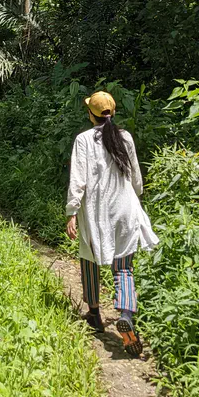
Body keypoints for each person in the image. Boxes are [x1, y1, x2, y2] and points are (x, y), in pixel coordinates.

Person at [65, 90, 158, 356]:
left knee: (89, 258)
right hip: (125, 208)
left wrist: (72, 211)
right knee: (124, 267)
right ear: (113, 113)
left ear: (90, 114)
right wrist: (136, 199)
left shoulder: (83, 140)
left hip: (97, 211)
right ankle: (126, 312)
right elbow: (136, 178)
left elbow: (78, 179)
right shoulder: (125, 137)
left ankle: (94, 314)